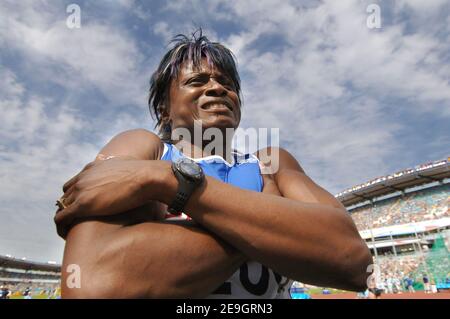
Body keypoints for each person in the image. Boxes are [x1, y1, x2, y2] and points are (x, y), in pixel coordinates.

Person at [54, 30, 372, 298]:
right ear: (164, 109)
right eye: (197, 80)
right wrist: (275, 226)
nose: (218, 88)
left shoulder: (271, 162)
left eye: (227, 83)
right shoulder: (143, 148)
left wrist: (170, 182)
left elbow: (352, 260)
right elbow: (93, 285)